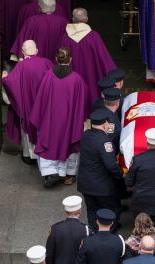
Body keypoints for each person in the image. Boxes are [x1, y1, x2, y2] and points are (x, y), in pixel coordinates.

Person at [30, 47, 88, 188]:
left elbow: (40, 99)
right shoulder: (77, 80)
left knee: (48, 141)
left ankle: (51, 172)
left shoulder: (47, 76)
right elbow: (82, 103)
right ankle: (69, 174)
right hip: (69, 121)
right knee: (69, 142)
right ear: (71, 60)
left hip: (49, 120)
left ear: (56, 59)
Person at [3, 40, 54, 165]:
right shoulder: (47, 63)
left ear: (22, 52)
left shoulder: (21, 66)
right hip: (45, 105)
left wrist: (4, 78)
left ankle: (30, 156)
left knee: (28, 127)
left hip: (29, 106)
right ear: (36, 51)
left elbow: (11, 83)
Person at [77, 112, 125, 229]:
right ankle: (110, 231)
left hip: (85, 183)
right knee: (113, 208)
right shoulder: (105, 141)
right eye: (107, 122)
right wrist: (121, 173)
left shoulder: (85, 135)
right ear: (104, 125)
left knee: (92, 209)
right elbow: (111, 165)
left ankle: (94, 231)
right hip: (101, 185)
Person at [63, 8, 116, 113]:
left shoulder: (65, 37)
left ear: (73, 19)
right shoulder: (94, 37)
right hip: (91, 76)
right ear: (86, 19)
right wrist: (113, 74)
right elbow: (104, 58)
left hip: (71, 78)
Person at [47, 196, 89, 264]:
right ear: (80, 210)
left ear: (66, 211)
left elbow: (50, 251)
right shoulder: (86, 229)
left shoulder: (55, 229)